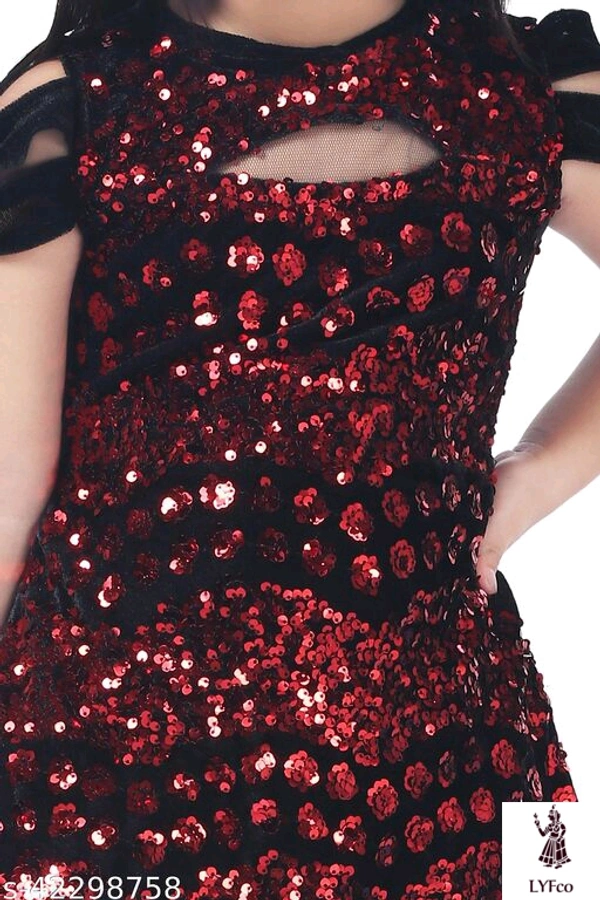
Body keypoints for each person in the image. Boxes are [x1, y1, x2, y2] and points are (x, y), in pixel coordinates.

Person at [0, 0, 597, 896]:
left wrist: (540, 472)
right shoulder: (515, 84)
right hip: (407, 747)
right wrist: (534, 474)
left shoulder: (83, 98)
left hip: (143, 779)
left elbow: (7, 497)